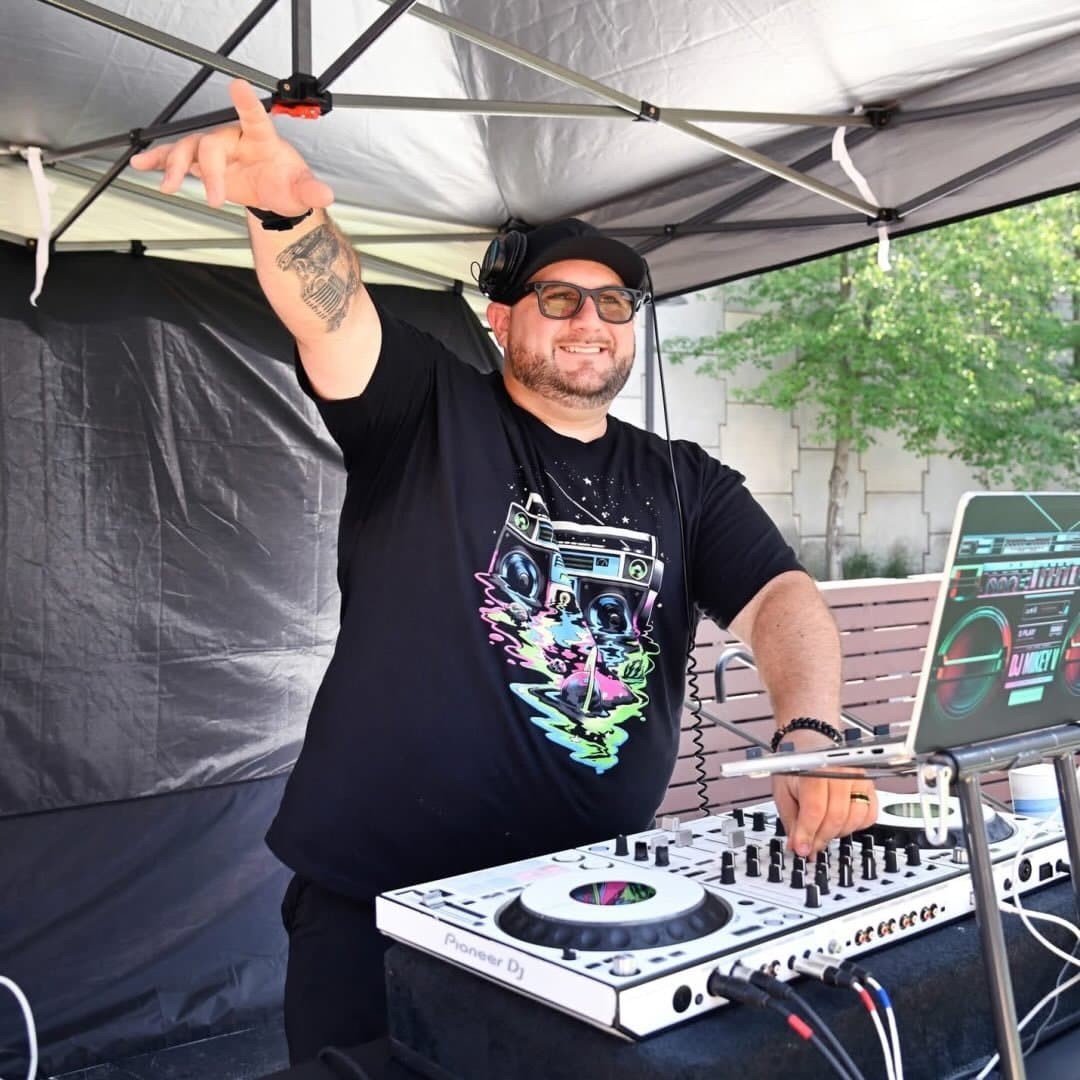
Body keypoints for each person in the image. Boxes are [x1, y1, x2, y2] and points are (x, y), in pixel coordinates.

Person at [132, 79, 879, 1064]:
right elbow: (333, 317)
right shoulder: (425, 409)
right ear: (500, 318)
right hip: (380, 902)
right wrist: (287, 215)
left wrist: (811, 731)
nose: (589, 320)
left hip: (594, 899)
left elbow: (781, 597)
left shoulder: (684, 479)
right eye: (559, 298)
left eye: (614, 303)